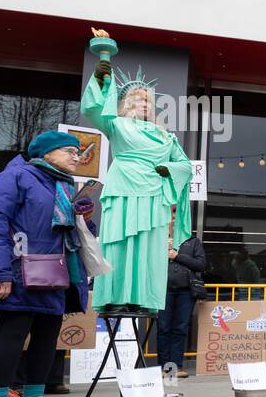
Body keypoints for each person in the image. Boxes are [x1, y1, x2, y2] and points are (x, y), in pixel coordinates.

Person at [0, 131, 95, 397]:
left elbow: (64, 231)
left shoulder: (65, 185)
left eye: (77, 152)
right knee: (14, 332)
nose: (76, 156)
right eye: (69, 151)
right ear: (46, 153)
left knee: (47, 336)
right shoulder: (15, 177)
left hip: (56, 274)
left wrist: (85, 220)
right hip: (18, 271)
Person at [83, 37, 194, 312]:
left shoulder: (164, 135)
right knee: (117, 243)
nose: (144, 104)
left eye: (147, 101)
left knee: (148, 248)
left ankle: (144, 300)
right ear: (125, 103)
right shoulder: (116, 125)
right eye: (137, 99)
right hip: (122, 188)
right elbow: (93, 109)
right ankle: (113, 298)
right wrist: (102, 69)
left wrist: (168, 169)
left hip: (152, 192)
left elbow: (185, 165)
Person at [158, 206, 206, 377]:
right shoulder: (157, 237)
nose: (174, 217)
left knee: (180, 328)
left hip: (186, 291)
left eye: (177, 213)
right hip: (163, 290)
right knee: (163, 328)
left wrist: (177, 256)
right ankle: (163, 367)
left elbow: (201, 264)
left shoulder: (192, 241)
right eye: (171, 213)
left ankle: (176, 367)